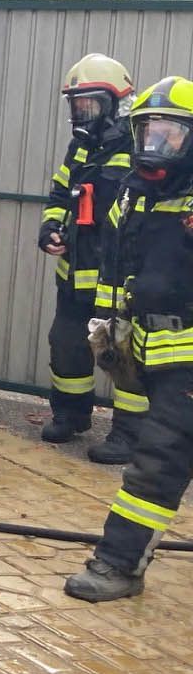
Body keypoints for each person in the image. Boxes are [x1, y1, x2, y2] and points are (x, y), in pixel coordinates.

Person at [65, 78, 193, 602]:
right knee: (162, 455)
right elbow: (117, 271)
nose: (155, 144)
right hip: (154, 357)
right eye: (149, 131)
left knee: (159, 460)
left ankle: (118, 564)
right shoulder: (133, 197)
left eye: (171, 133)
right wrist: (109, 328)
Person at [39, 54, 140, 456]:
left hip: (117, 278)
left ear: (116, 103)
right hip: (75, 274)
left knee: (126, 353)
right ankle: (71, 415)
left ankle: (129, 433)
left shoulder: (136, 147)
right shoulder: (79, 149)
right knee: (66, 343)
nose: (81, 112)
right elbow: (59, 196)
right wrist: (49, 230)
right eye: (76, 104)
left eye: (90, 104)